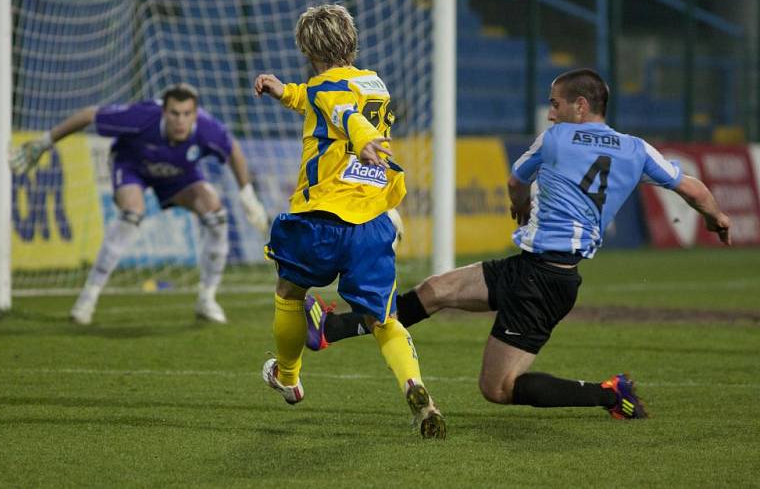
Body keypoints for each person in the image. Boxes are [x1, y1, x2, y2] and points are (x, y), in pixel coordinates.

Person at [304, 68, 732, 419]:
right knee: (437, 290)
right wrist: (717, 218)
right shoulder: (635, 148)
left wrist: (521, 206)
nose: (550, 113)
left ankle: (611, 394)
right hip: (534, 270)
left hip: (544, 282)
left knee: (498, 388)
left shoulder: (558, 139)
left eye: (555, 103)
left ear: (580, 107)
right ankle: (332, 329)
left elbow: (515, 180)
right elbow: (690, 187)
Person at [253, 4, 446, 438]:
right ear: (351, 41)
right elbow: (321, 99)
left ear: (305, 47)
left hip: (321, 216)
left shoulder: (329, 91)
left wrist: (362, 140)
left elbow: (342, 114)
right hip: (372, 219)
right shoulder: (371, 81)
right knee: (383, 318)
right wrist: (285, 91)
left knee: (289, 292)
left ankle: (287, 376)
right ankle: (416, 389)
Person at [10, 83, 269, 325]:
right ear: (163, 111)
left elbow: (233, 149)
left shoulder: (207, 128)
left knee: (217, 216)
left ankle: (207, 298)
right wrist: (45, 142)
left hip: (180, 175)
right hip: (133, 166)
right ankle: (88, 296)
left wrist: (247, 194)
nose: (181, 120)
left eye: (187, 114)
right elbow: (90, 115)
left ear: (195, 113)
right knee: (132, 213)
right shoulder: (142, 117)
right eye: (175, 113)